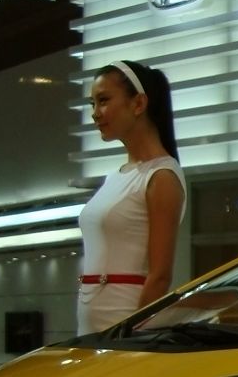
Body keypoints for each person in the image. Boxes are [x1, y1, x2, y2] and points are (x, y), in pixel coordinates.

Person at [77, 60, 187, 333]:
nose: (95, 113)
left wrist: (131, 337)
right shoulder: (115, 177)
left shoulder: (161, 177)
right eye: (92, 103)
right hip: (93, 326)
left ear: (138, 103)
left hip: (123, 323)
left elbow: (160, 276)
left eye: (103, 100)